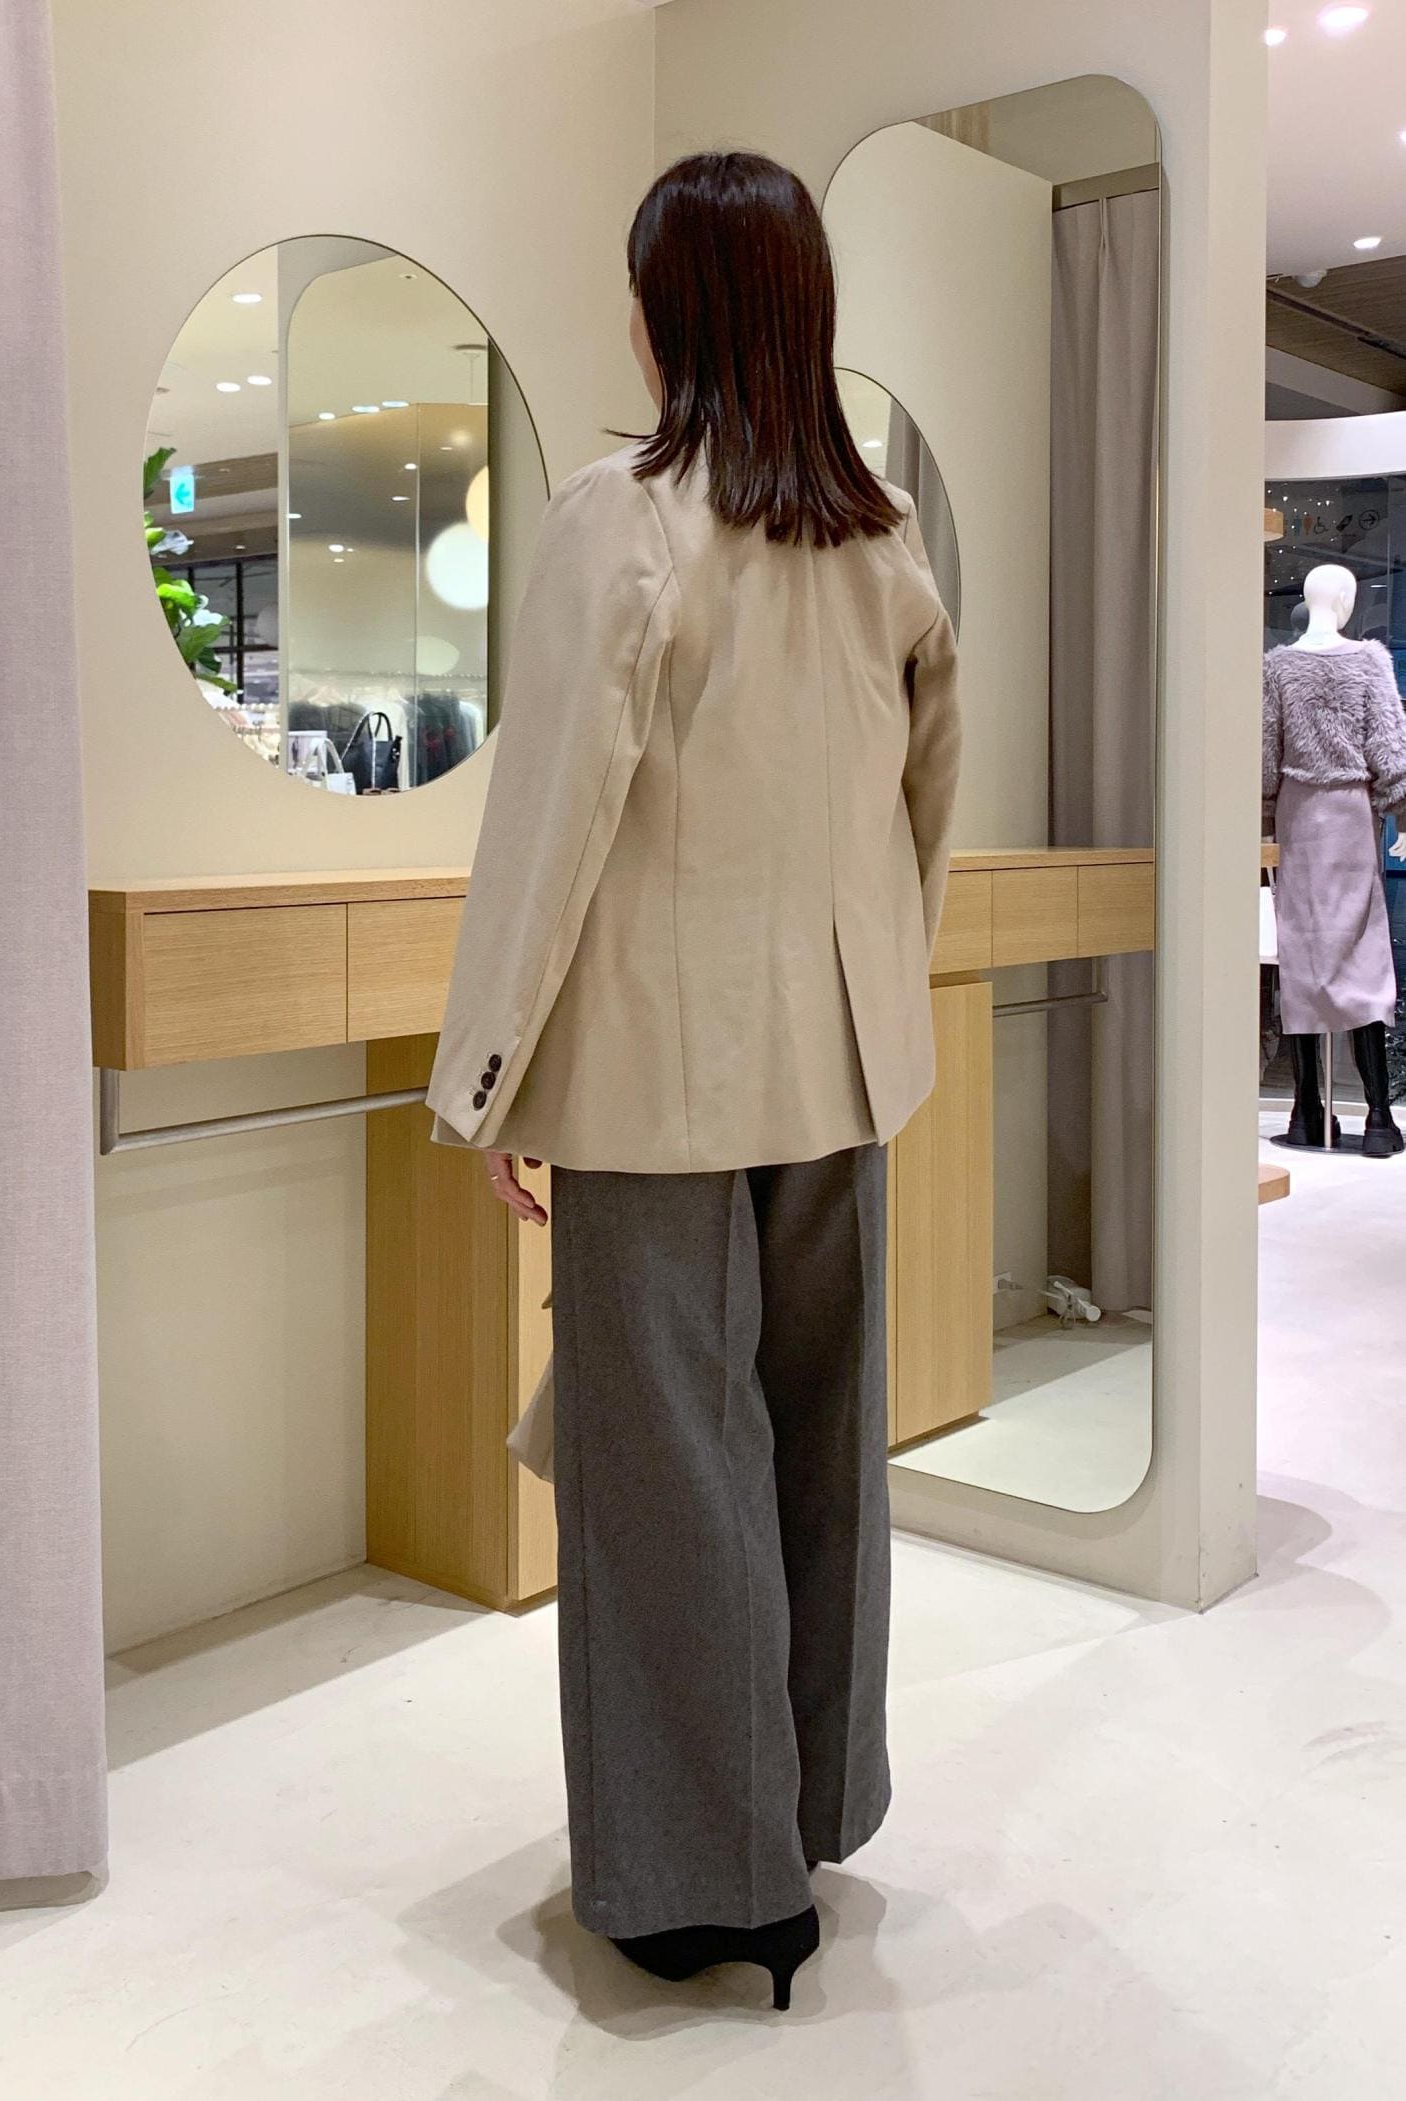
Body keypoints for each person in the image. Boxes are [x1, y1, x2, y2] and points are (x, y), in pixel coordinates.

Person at [426, 149, 960, 2010]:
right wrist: (882, 1001)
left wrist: (488, 1077)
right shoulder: (883, 539)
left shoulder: (623, 516)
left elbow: (552, 816)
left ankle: (694, 1881)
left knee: (664, 1464)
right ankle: (808, 1809)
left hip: (653, 1070)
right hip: (840, 1060)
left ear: (671, 319)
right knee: (819, 1441)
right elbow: (926, 802)